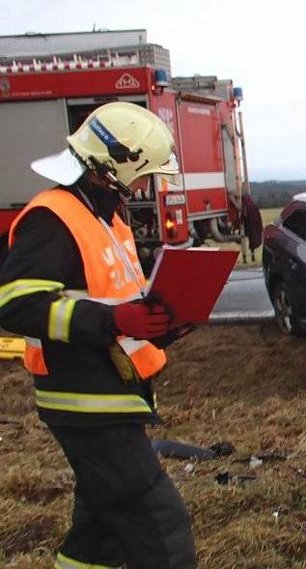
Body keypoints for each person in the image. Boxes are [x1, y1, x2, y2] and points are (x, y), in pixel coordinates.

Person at [0, 102, 196, 567]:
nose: (146, 187)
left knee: (100, 534)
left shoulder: (107, 220)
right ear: (117, 169)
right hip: (86, 404)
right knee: (159, 526)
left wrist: (160, 328)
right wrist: (115, 322)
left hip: (114, 395)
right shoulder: (53, 217)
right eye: (145, 175)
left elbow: (117, 303)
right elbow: (15, 304)